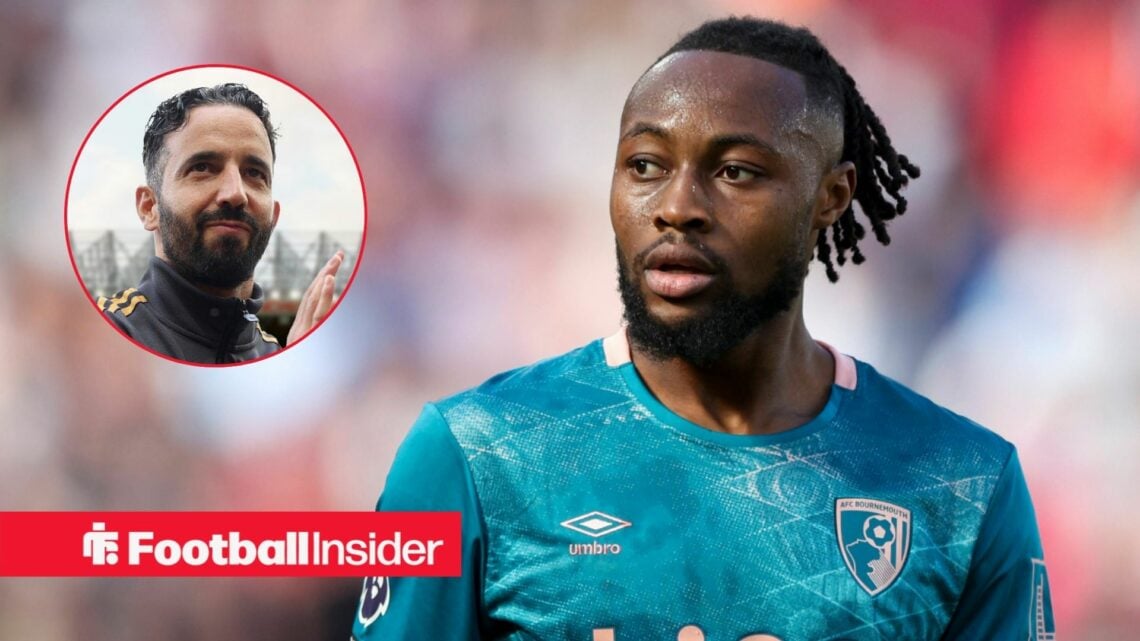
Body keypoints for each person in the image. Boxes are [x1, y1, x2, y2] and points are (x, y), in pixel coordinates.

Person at [352, 17, 1054, 641]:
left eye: (737, 170)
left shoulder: (961, 485)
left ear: (830, 197)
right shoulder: (475, 458)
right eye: (646, 165)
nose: (677, 205)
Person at [97, 83, 342, 364]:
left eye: (254, 173)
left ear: (273, 217)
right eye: (202, 168)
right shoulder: (109, 335)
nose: (236, 193)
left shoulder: (279, 356)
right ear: (149, 207)